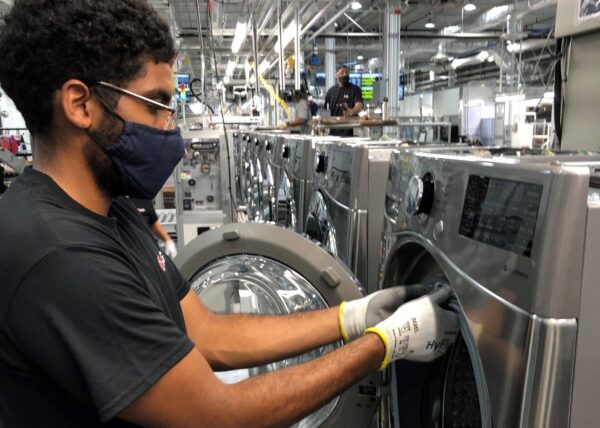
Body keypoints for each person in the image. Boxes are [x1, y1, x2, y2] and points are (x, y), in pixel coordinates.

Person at [0, 1, 458, 427]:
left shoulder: (110, 213)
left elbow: (206, 333)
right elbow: (216, 415)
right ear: (80, 105)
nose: (170, 126)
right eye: (158, 105)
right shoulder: (58, 255)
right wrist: (386, 344)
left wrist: (352, 317)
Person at [324, 66, 364, 137]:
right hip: (333, 131)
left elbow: (359, 104)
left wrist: (352, 111)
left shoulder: (355, 89)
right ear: (336, 75)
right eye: (342, 72)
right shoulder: (331, 91)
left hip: (350, 131)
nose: (345, 74)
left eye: (347, 73)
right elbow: (325, 110)